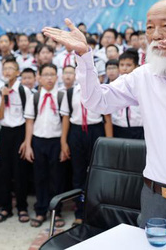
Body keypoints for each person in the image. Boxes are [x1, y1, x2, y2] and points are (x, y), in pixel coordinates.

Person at [43, 0, 166, 249]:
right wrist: (84, 56)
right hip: (154, 200)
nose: (156, 35)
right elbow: (97, 101)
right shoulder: (143, 75)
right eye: (149, 27)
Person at [61, 67, 111, 225]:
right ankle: (80, 212)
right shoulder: (70, 93)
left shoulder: (99, 90)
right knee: (78, 172)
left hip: (95, 131)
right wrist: (63, 142)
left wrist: (109, 143)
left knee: (96, 172)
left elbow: (107, 118)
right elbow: (66, 118)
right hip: (76, 132)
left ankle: (96, 211)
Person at [23, 63, 67, 229]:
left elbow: (65, 120)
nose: (49, 78)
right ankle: (40, 210)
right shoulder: (34, 97)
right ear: (39, 78)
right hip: (38, 140)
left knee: (57, 177)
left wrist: (63, 144)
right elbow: (29, 122)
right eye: (46, 75)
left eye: (52, 74)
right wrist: (28, 145)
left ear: (57, 77)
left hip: (56, 141)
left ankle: (57, 211)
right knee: (40, 176)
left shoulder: (61, 95)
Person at [0, 57, 32, 224]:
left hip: (20, 132)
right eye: (5, 69)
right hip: (5, 132)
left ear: (17, 72)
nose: (7, 71)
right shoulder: (0, 89)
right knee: (4, 172)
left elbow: (29, 117)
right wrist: (3, 97)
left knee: (20, 172)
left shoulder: (24, 91)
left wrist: (26, 140)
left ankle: (22, 207)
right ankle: (5, 207)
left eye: (11, 68)